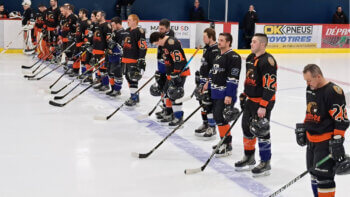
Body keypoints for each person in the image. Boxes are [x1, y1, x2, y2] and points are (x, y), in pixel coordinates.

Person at [295, 64, 349, 197]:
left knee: (325, 179)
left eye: (309, 80)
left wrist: (337, 141)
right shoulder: (310, 88)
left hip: (325, 142)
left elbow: (341, 119)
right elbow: (310, 110)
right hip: (311, 141)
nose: (307, 83)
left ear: (318, 76)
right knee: (313, 175)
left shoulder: (333, 91)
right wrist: (304, 127)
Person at [235, 33, 277, 177]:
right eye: (251, 41)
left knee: (261, 130)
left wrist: (263, 105)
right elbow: (249, 79)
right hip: (251, 100)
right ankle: (249, 156)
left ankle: (265, 161)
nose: (251, 44)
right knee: (246, 127)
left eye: (254, 42)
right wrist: (244, 94)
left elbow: (270, 86)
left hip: (263, 102)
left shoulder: (268, 61)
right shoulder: (250, 58)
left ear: (262, 44)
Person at [202, 32, 241, 156]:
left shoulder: (234, 57)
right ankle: (224, 141)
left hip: (225, 94)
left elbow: (233, 78)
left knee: (220, 117)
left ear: (228, 42)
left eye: (222, 40)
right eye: (218, 40)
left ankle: (226, 144)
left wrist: (229, 95)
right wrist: (208, 82)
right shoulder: (218, 55)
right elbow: (213, 71)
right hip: (215, 92)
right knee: (218, 117)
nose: (219, 42)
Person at [150, 31, 190, 126]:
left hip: (179, 73)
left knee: (175, 93)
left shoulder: (172, 43)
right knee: (166, 93)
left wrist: (176, 73)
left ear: (159, 39)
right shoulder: (164, 44)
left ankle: (178, 117)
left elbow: (179, 60)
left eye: (156, 43)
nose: (157, 45)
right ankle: (170, 113)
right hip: (171, 73)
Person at [194, 28, 220, 140]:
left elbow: (215, 69)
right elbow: (205, 65)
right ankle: (205, 123)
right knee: (203, 104)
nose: (203, 38)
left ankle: (212, 127)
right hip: (203, 80)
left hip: (210, 82)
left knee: (208, 104)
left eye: (205, 36)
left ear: (211, 37)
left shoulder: (215, 50)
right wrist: (199, 77)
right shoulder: (207, 48)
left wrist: (208, 82)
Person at [122, 14, 147, 107]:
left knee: (133, 78)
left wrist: (141, 58)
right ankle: (134, 94)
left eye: (129, 20)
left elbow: (143, 46)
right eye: (127, 19)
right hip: (125, 58)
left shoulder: (139, 31)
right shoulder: (127, 31)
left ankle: (134, 97)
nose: (127, 21)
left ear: (135, 21)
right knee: (128, 77)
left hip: (133, 59)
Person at [154, 19, 175, 122]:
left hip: (168, 68)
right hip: (161, 66)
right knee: (162, 89)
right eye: (159, 28)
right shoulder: (161, 35)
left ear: (168, 28)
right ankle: (165, 108)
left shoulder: (170, 38)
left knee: (167, 91)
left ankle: (169, 110)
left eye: (162, 28)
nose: (160, 30)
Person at [105, 16, 128, 97]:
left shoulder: (124, 33)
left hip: (118, 57)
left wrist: (113, 51)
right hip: (111, 56)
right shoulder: (114, 32)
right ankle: (113, 88)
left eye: (114, 25)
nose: (112, 26)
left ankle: (117, 90)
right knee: (110, 73)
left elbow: (122, 47)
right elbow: (111, 43)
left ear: (118, 24)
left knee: (117, 74)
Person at [91, 11, 112, 92]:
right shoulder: (96, 25)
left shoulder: (107, 25)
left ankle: (106, 84)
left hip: (102, 50)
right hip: (96, 50)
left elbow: (109, 39)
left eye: (98, 16)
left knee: (103, 69)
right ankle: (101, 82)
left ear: (102, 16)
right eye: (96, 16)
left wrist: (107, 48)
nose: (96, 17)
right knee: (98, 68)